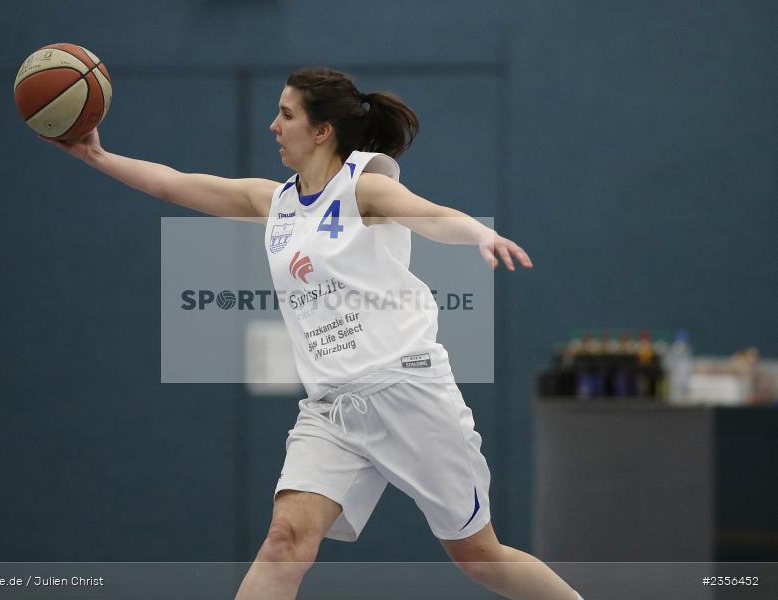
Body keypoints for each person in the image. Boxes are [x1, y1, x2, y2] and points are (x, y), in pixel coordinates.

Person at [44, 66, 582, 600]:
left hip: (407, 392)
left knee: (479, 559)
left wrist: (478, 234)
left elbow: (430, 214)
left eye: (286, 114)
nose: (273, 126)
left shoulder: (362, 186)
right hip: (332, 409)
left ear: (322, 130)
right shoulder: (274, 201)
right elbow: (178, 186)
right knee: (284, 541)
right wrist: (96, 155)